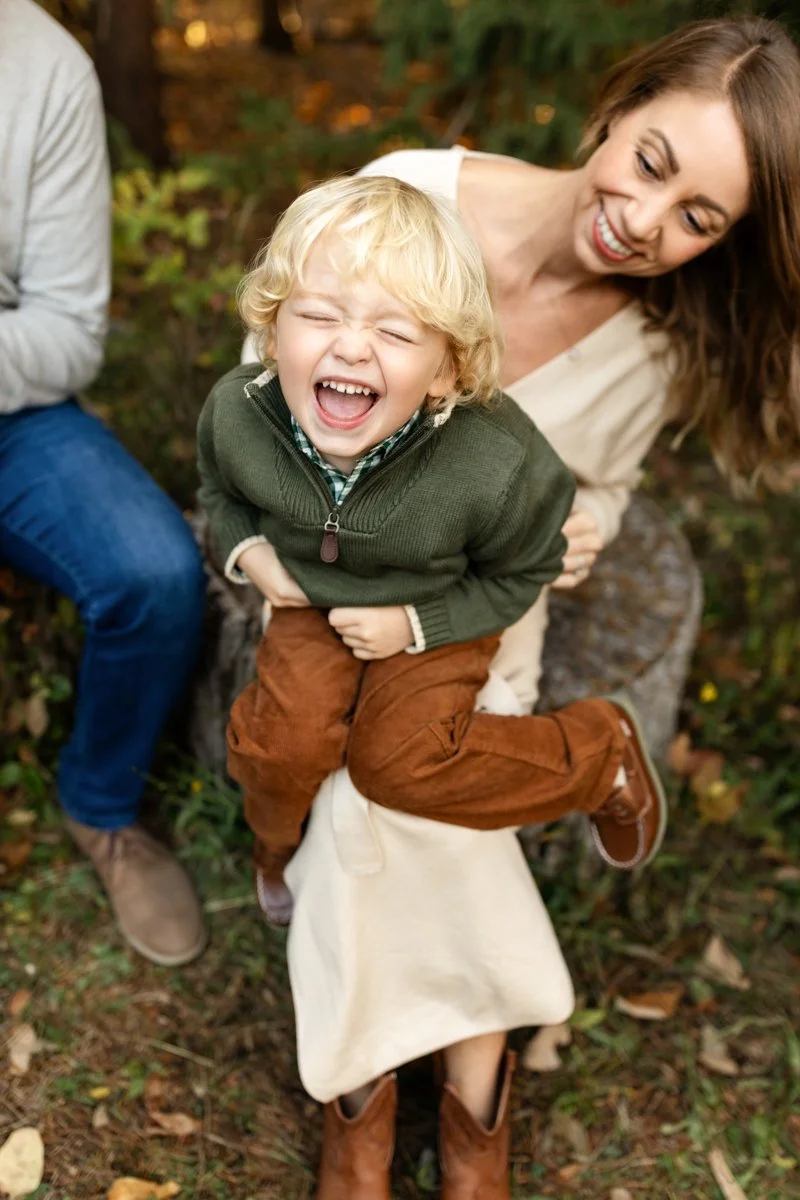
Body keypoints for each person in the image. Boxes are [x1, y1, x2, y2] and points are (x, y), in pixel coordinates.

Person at [242, 15, 800, 1197]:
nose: (649, 223)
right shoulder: (406, 196)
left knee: (410, 774)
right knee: (364, 765)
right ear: (616, 109)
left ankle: (390, 1104)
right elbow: (269, 366)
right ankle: (449, 1102)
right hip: (335, 563)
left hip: (484, 607)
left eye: (698, 217)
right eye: (651, 163)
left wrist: (584, 524)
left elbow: (589, 482)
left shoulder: (656, 349)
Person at [198, 175, 667, 926]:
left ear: (447, 368)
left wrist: (413, 625)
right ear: (273, 328)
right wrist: (250, 551)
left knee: (398, 764)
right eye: (318, 316)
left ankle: (597, 752)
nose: (350, 347)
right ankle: (274, 847)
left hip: (441, 600)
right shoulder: (239, 411)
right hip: (311, 597)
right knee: (279, 747)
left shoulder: (498, 462)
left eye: (395, 332)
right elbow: (219, 491)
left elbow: (525, 567)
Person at [0, 0, 207, 967]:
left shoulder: (45, 66)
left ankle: (103, 805)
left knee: (155, 571)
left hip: (13, 410)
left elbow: (68, 333)